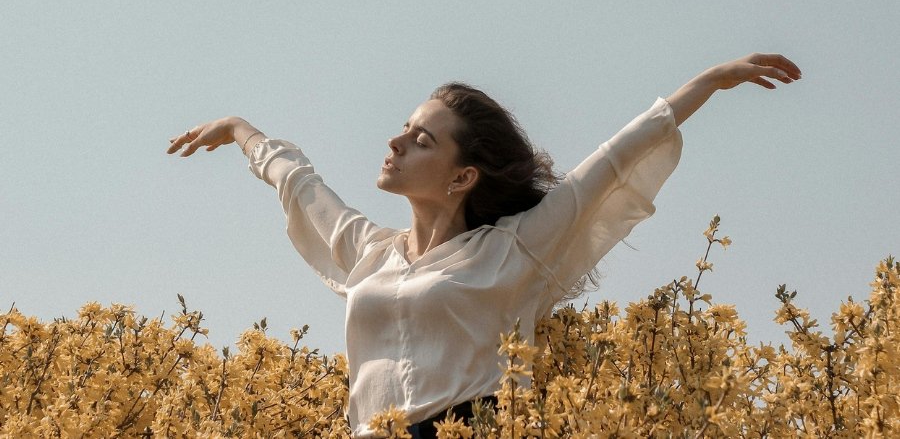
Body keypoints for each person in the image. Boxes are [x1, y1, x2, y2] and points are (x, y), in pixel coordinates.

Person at [167, 53, 801, 438]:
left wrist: (712, 81)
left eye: (421, 140)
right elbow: (302, 186)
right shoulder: (371, 253)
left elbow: (611, 163)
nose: (395, 143)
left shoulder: (513, 249)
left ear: (462, 176)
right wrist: (241, 131)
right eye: (404, 129)